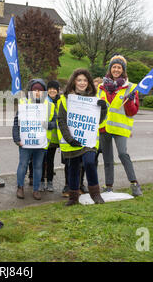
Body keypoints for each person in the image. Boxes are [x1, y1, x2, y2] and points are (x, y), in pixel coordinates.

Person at [57, 69, 107, 206]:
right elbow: (61, 120)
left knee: (90, 162)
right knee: (73, 167)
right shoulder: (65, 99)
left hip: (89, 140)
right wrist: (69, 139)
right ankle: (73, 198)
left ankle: (95, 194)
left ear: (89, 82)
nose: (82, 83)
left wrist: (103, 109)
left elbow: (99, 121)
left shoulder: (94, 99)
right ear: (74, 81)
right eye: (79, 80)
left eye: (85, 80)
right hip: (72, 140)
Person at [97, 55, 143, 196]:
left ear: (123, 70)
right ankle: (108, 186)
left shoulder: (130, 88)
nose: (116, 69)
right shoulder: (101, 87)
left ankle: (134, 184)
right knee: (107, 158)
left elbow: (132, 112)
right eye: (114, 67)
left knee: (123, 154)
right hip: (104, 127)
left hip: (120, 128)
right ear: (110, 69)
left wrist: (129, 101)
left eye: (119, 67)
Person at [12, 79, 57, 200]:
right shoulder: (24, 103)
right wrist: (16, 139)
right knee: (23, 164)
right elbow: (16, 122)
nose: (37, 93)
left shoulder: (50, 106)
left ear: (44, 92)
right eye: (35, 90)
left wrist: (47, 124)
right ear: (30, 91)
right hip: (25, 142)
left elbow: (55, 123)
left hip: (41, 143)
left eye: (40, 90)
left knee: (38, 166)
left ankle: (36, 190)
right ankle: (20, 187)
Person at [78, 77, 104, 194]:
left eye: (98, 86)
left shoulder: (99, 100)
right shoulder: (83, 98)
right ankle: (80, 184)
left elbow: (101, 119)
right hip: (80, 136)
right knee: (80, 163)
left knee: (91, 162)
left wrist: (103, 109)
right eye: (94, 85)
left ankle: (92, 187)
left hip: (93, 138)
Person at [39, 80, 61, 192]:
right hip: (43, 137)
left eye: (54, 88)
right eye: (50, 88)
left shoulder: (61, 102)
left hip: (55, 138)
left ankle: (50, 182)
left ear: (58, 90)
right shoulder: (43, 101)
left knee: (50, 160)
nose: (52, 90)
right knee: (42, 161)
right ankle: (42, 181)